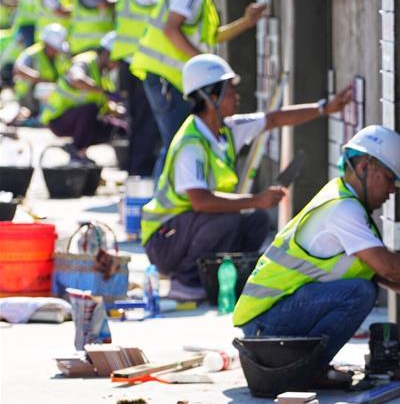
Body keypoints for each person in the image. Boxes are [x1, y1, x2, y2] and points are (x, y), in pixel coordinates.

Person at [233, 125, 400, 389]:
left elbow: (383, 277)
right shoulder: (343, 208)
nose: (393, 189)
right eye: (389, 177)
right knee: (360, 292)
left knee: (363, 287)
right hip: (265, 325)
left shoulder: (348, 204)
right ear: (364, 166)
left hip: (268, 321)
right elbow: (390, 268)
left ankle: (311, 366)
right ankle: (310, 370)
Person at [140, 54, 354, 302]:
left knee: (256, 220)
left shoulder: (226, 130)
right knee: (229, 220)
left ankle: (224, 280)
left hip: (186, 230)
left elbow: (273, 119)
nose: (236, 96)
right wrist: (256, 199)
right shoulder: (192, 144)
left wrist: (324, 108)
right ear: (211, 97)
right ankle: (187, 282)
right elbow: (200, 202)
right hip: (164, 240)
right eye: (230, 91)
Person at [130, 0, 267, 178]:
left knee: (175, 144)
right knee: (175, 145)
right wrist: (208, 71)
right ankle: (162, 212)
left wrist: (246, 22)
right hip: (166, 78)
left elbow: (210, 37)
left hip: (171, 78)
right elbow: (171, 29)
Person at [112, 0, 183, 176]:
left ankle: (136, 181)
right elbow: (170, 4)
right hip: (140, 61)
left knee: (140, 126)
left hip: (131, 59)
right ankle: (139, 182)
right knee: (146, 128)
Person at [39, 30, 124, 161]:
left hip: (76, 119)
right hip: (58, 120)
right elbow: (76, 79)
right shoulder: (86, 61)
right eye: (117, 60)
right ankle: (77, 150)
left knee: (116, 129)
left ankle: (78, 150)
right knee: (90, 109)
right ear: (107, 53)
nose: (117, 65)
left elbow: (104, 104)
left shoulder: (104, 75)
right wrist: (102, 91)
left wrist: (118, 112)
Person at [12, 22, 69, 119]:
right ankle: (40, 116)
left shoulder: (59, 57)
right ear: (46, 44)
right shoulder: (32, 53)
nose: (56, 51)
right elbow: (17, 69)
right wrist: (39, 78)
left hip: (51, 95)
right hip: (28, 96)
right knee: (44, 88)